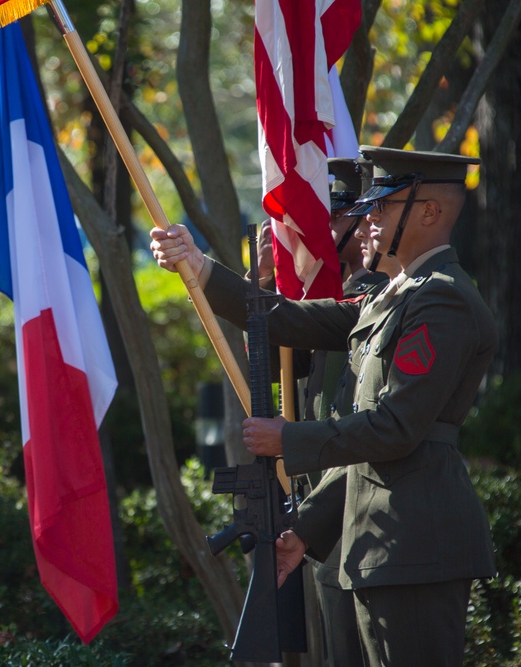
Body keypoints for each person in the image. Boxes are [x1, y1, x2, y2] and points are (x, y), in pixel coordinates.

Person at [151, 147, 496, 667]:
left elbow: (397, 426)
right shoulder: (393, 296)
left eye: (384, 204)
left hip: (417, 542)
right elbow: (289, 319)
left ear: (430, 212)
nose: (369, 217)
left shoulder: (441, 298)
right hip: (384, 542)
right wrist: (198, 267)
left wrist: (287, 440)